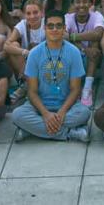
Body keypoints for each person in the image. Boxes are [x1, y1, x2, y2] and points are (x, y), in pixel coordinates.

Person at [12, 12, 91, 142]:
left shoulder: (74, 52)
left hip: (66, 105)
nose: (54, 29)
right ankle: (70, 133)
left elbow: (75, 89)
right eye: (50, 26)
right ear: (45, 28)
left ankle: (31, 131)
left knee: (84, 113)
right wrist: (45, 114)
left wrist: (61, 112)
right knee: (17, 115)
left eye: (58, 26)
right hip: (40, 106)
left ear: (64, 28)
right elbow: (31, 92)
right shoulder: (34, 54)